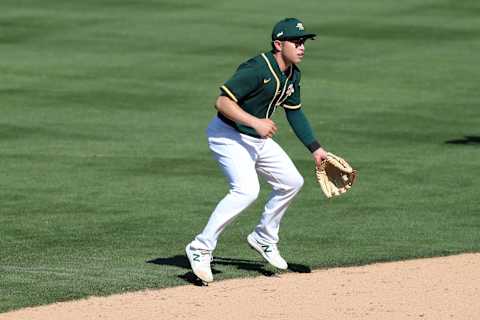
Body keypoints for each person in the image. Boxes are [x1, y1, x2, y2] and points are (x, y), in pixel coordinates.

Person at [186, 18, 328, 283]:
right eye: (296, 42)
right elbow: (222, 101)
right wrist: (255, 122)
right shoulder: (257, 67)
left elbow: (295, 113)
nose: (302, 47)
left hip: (255, 138)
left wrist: (316, 149)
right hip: (227, 135)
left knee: (291, 182)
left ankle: (263, 236)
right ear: (278, 44)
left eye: (304, 42)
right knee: (246, 190)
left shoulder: (293, 73)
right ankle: (200, 247)